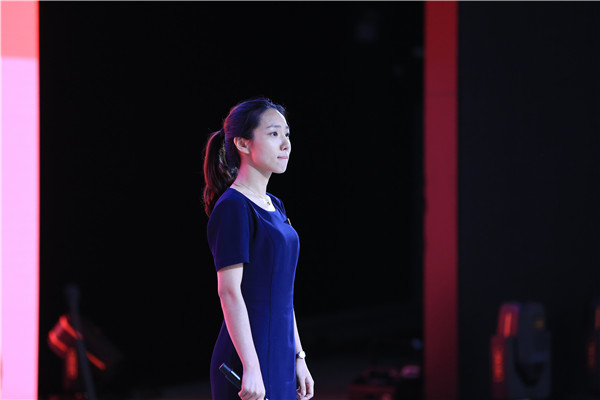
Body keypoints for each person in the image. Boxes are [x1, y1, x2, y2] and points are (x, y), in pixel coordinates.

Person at [203, 98, 314, 400]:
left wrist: (299, 356)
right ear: (243, 143)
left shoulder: (274, 204)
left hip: (281, 353)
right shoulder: (233, 207)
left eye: (287, 134)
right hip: (247, 356)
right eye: (274, 133)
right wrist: (251, 366)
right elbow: (229, 291)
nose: (285, 144)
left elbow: (283, 292)